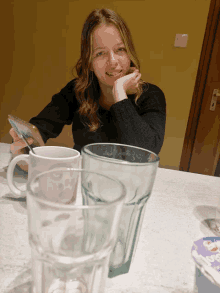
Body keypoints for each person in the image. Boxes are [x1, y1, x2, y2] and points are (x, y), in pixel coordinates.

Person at [10, 8, 166, 167]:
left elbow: (145, 153)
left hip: (127, 185)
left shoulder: (151, 96)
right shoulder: (78, 90)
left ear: (129, 53)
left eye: (120, 49)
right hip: (84, 181)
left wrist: (119, 93)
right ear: (89, 63)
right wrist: (23, 145)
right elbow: (41, 128)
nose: (113, 61)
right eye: (100, 53)